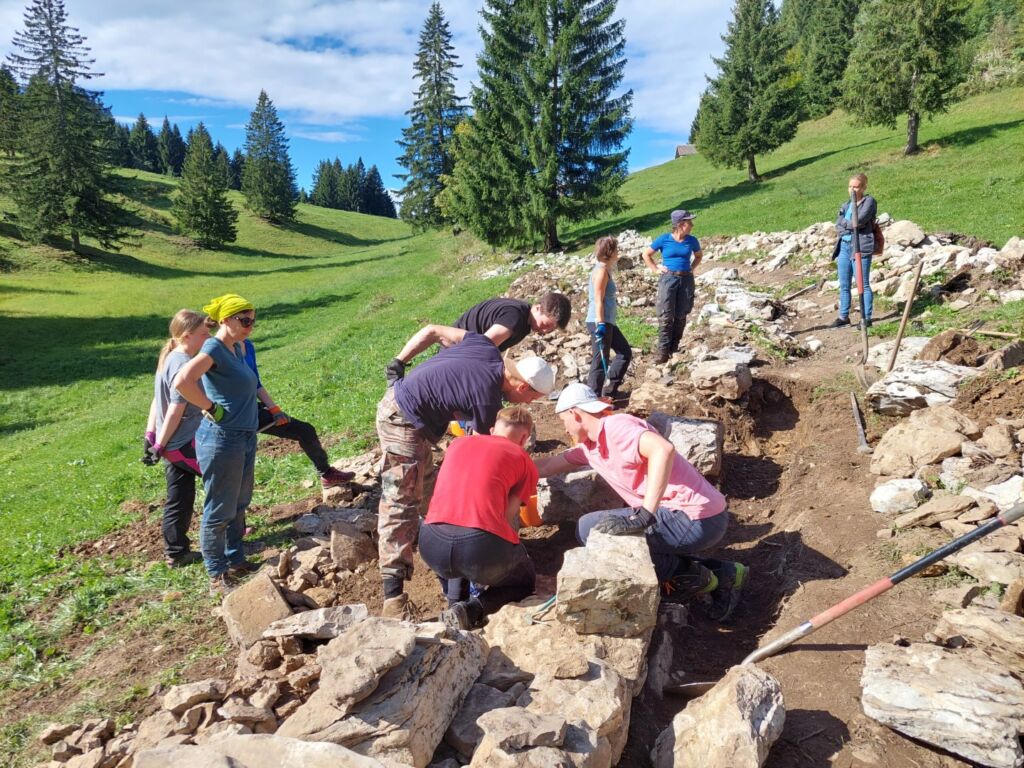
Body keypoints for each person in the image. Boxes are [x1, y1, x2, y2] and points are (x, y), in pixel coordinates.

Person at [376, 329, 555, 619]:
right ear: (523, 387)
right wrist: (507, 548)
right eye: (532, 398)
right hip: (402, 420)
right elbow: (489, 470)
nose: (528, 404)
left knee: (436, 496)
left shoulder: (485, 346)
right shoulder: (486, 401)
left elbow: (433, 330)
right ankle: (393, 598)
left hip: (416, 420)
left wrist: (399, 362)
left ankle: (454, 591)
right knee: (401, 500)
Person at [535, 383, 748, 621]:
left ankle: (705, 580)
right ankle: (724, 571)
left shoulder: (616, 427)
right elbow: (547, 466)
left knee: (590, 529)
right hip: (691, 516)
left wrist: (646, 513)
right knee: (600, 530)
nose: (564, 427)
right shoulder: (589, 447)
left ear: (575, 413)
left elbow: (662, 450)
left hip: (694, 517)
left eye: (563, 419)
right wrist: (509, 464)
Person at [419, 406, 539, 630]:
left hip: (430, 541)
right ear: (524, 438)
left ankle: (455, 609)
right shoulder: (523, 459)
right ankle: (471, 610)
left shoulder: (458, 443)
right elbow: (507, 516)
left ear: (492, 430)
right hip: (477, 546)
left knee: (460, 543)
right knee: (524, 580)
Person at [174, 293, 262, 594]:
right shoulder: (213, 348)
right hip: (222, 439)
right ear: (225, 320)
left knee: (239, 502)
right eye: (244, 320)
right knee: (219, 509)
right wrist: (210, 407)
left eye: (253, 320)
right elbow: (183, 381)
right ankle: (216, 573)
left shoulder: (236, 347)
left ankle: (236, 560)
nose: (250, 325)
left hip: (245, 435)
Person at [143, 309, 209, 568]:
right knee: (225, 482)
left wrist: (151, 435)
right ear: (186, 336)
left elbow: (156, 400)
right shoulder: (181, 363)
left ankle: (177, 553)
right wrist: (159, 444)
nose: (208, 337)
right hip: (182, 442)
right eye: (203, 333)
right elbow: (174, 408)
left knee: (179, 497)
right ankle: (228, 537)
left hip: (170, 441)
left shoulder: (170, 357)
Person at [241, 339, 354, 490]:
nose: (249, 328)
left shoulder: (247, 346)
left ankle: (327, 474)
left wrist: (274, 410)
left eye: (251, 324)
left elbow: (256, 383)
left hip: (253, 410)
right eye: (244, 324)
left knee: (305, 431)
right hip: (232, 418)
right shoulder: (220, 350)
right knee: (238, 466)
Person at [385, 292, 571, 383]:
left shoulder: (523, 316)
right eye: (545, 325)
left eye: (550, 329)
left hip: (464, 343)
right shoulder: (515, 317)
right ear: (537, 308)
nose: (545, 331)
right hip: (459, 347)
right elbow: (482, 347)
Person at [642, 210, 703, 364]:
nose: (692, 225)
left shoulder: (692, 240)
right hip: (668, 279)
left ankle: (674, 348)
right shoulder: (664, 239)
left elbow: (698, 256)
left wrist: (691, 268)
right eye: (689, 222)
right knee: (666, 315)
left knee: (681, 314)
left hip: (686, 279)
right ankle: (662, 352)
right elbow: (646, 255)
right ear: (680, 224)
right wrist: (655, 269)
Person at [586, 236, 631, 399]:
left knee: (624, 352)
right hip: (599, 321)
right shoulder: (601, 271)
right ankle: (591, 397)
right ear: (609, 252)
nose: (618, 252)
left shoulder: (605, 269)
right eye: (616, 249)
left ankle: (610, 390)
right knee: (600, 359)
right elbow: (598, 300)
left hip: (607, 321)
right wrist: (601, 324)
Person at [831, 173, 877, 328]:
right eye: (850, 186)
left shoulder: (869, 202)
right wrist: (847, 225)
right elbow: (838, 225)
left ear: (863, 188)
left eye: (856, 187)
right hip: (844, 247)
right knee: (844, 284)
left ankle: (866, 318)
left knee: (862, 284)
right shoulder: (846, 205)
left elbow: (858, 222)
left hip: (860, 246)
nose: (852, 190)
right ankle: (843, 316)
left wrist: (846, 224)